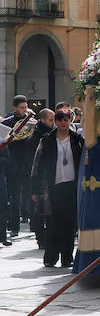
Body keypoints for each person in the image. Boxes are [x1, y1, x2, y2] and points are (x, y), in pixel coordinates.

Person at [30, 109, 83, 268]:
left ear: (70, 121)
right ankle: (51, 257)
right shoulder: (46, 140)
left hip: (71, 187)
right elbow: (37, 165)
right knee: (52, 223)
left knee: (70, 224)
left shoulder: (77, 139)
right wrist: (34, 190)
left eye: (66, 120)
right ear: (55, 122)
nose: (63, 123)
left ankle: (67, 257)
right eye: (60, 120)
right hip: (52, 188)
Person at [2, 95, 36, 239]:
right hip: (13, 164)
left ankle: (33, 225)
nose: (24, 110)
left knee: (31, 194)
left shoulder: (32, 123)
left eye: (25, 107)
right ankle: (14, 227)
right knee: (14, 197)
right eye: (21, 107)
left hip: (27, 163)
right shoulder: (7, 123)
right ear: (15, 108)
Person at [27, 109, 55, 249]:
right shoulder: (36, 136)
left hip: (52, 176)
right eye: (51, 120)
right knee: (38, 210)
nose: (54, 123)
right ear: (43, 120)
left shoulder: (53, 133)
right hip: (39, 177)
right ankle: (41, 239)